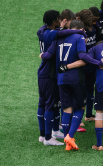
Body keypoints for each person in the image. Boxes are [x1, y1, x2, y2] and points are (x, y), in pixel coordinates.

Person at [40, 20, 103, 151]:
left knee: (66, 109)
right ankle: (70, 136)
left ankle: (67, 142)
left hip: (61, 79)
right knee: (80, 107)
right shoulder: (80, 37)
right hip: (76, 78)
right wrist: (98, 62)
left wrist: (42, 54)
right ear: (82, 29)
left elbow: (47, 55)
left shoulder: (58, 38)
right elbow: (82, 56)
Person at [37, 10, 86, 146]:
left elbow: (58, 30)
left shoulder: (42, 30)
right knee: (50, 105)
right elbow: (62, 33)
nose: (61, 21)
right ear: (54, 21)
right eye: (59, 19)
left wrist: (62, 25)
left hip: (43, 72)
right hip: (50, 73)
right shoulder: (52, 34)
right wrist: (79, 32)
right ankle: (48, 138)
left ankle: (45, 134)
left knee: (45, 103)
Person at [76, 9, 96, 122]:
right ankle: (86, 115)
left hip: (85, 65)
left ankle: (84, 116)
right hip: (88, 64)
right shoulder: (92, 29)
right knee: (86, 90)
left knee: (84, 91)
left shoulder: (82, 32)